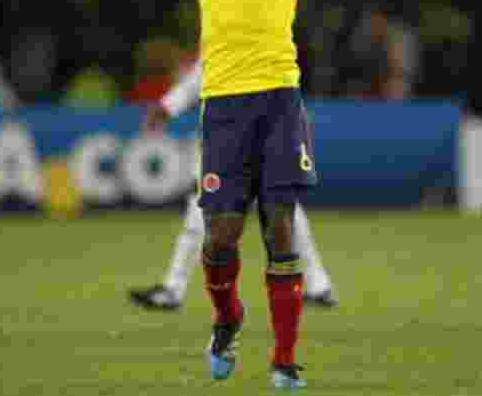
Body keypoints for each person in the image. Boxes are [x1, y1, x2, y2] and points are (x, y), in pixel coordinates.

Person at [36, 0, 475, 390]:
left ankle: (286, 357)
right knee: (218, 240)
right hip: (224, 105)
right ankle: (227, 316)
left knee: (280, 228)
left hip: (279, 102)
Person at [128, 58, 338, 311]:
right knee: (278, 209)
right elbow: (200, 76)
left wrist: (167, 107)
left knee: (267, 209)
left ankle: (173, 289)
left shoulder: (244, 35)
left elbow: (201, 77)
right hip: (239, 133)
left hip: (246, 133)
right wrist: (167, 106)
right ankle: (319, 283)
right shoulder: (232, 35)